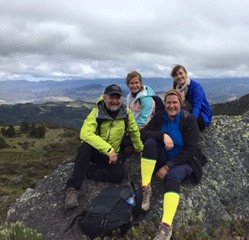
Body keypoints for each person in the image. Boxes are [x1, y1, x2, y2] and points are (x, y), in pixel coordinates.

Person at [139, 89, 206, 240]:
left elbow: (191, 149)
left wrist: (168, 166)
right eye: (168, 102)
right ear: (165, 103)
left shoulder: (189, 120)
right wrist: (162, 135)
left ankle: (166, 226)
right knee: (150, 143)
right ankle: (146, 189)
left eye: (175, 102)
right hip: (164, 155)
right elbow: (144, 134)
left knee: (173, 176)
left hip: (185, 160)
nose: (171, 105)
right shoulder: (160, 116)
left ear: (180, 104)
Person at [64, 84, 144, 209]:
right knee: (85, 147)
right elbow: (85, 133)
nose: (114, 101)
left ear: (121, 99)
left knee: (118, 176)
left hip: (112, 156)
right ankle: (72, 189)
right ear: (105, 97)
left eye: (117, 97)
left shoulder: (126, 113)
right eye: (111, 97)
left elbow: (134, 131)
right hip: (97, 151)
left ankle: (86, 170)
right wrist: (108, 149)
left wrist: (140, 148)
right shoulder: (97, 111)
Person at [171, 64, 213, 130]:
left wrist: (192, 123)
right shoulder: (176, 85)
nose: (179, 76)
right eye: (176, 75)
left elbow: (197, 106)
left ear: (186, 73)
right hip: (187, 113)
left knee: (181, 101)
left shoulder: (196, 87)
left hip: (202, 117)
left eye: (181, 73)